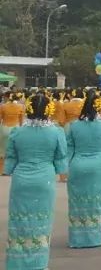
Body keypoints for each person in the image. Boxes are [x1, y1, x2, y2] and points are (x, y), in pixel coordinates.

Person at [4, 94, 67, 270]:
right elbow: (61, 159)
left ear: (28, 108)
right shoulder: (56, 132)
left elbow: (10, 158)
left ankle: (17, 263)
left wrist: (9, 170)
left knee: (19, 221)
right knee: (41, 222)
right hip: (44, 180)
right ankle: (38, 264)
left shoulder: (17, 131)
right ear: (49, 109)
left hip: (21, 180)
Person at [66, 90, 101, 248]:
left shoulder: (74, 126)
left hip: (78, 165)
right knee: (98, 201)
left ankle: (77, 239)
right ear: (99, 107)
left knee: (77, 202)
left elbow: (68, 149)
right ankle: (94, 238)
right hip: (99, 166)